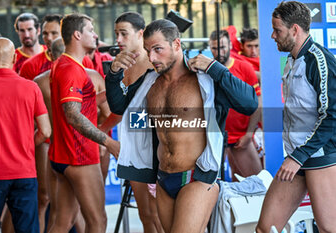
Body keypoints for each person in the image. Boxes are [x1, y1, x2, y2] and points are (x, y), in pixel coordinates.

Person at [106, 19, 258, 233]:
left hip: (197, 177)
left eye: (158, 49)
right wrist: (113, 74)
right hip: (163, 178)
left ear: (176, 44)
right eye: (148, 51)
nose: (152, 58)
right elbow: (120, 106)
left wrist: (215, 68)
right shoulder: (150, 82)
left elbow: (249, 104)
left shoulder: (203, 79)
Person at [256, 1, 336, 232]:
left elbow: (332, 117)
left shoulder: (319, 60)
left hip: (319, 157)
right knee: (265, 228)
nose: (272, 35)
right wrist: (296, 156)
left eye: (277, 30)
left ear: (294, 30)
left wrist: (298, 156)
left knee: (329, 229)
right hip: (296, 157)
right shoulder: (291, 59)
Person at [48, 13, 119, 233]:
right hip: (78, 155)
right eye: (90, 29)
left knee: (63, 223)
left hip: (64, 155)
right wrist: (108, 142)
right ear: (77, 34)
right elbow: (73, 114)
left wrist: (114, 91)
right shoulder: (70, 69)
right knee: (98, 222)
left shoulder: (65, 64)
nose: (96, 34)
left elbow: (82, 104)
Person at [106, 11, 165, 233]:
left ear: (140, 34)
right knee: (146, 214)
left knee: (160, 215)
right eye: (116, 34)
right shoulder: (121, 64)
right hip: (133, 148)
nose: (118, 40)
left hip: (156, 150)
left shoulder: (153, 65)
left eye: (124, 34)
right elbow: (120, 108)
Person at [0, 37, 51, 233]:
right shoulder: (31, 87)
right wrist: (28, 145)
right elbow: (46, 130)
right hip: (24, 171)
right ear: (15, 58)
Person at [209, 30, 262, 180]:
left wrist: (249, 133)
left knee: (257, 182)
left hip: (240, 137)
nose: (219, 52)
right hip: (216, 137)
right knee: (215, 185)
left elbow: (258, 102)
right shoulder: (206, 70)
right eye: (214, 48)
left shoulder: (244, 68)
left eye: (223, 47)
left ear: (230, 45)